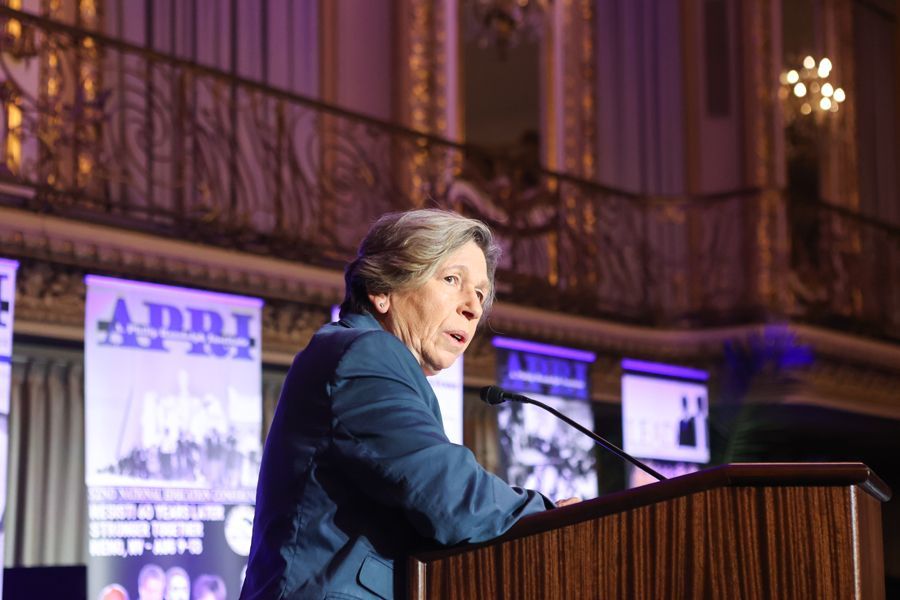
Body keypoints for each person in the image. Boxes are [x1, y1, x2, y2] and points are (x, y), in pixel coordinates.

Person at [241, 209, 576, 600]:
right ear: (383, 291)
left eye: (481, 294)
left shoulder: (365, 357)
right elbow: (448, 494)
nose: (473, 307)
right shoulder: (363, 353)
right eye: (453, 280)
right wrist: (550, 515)